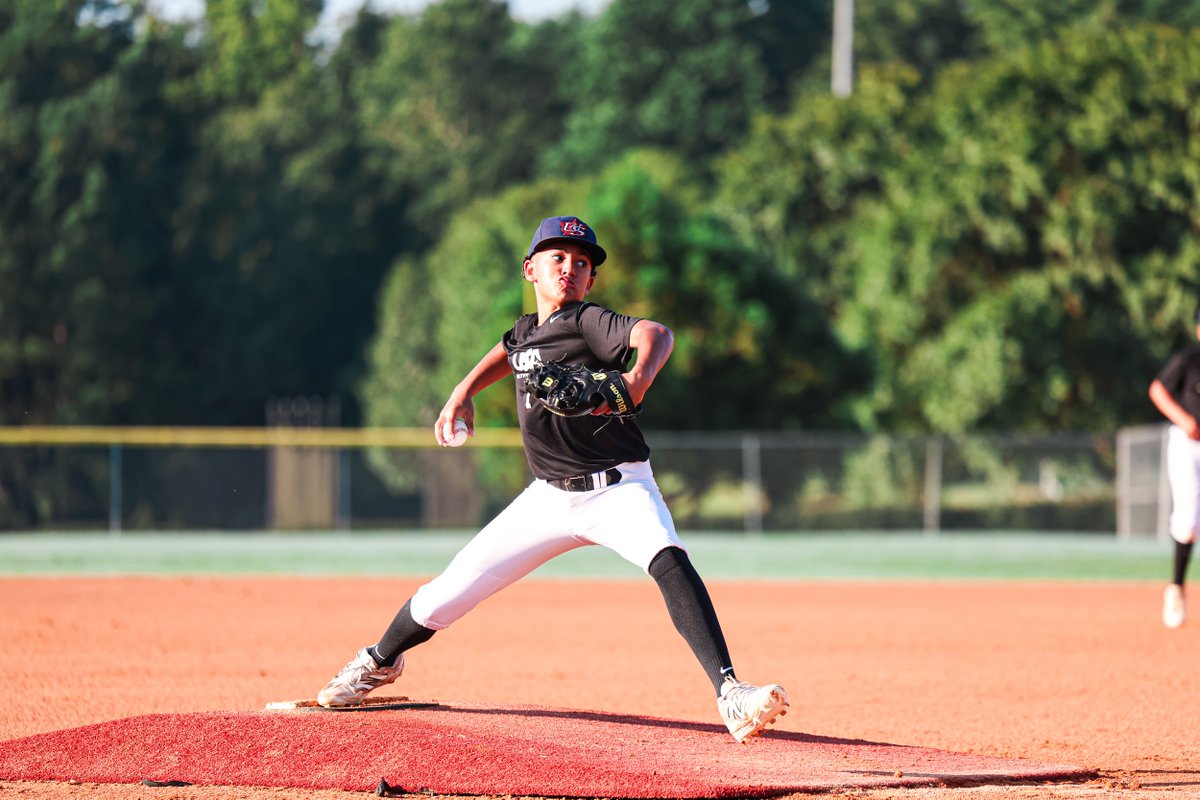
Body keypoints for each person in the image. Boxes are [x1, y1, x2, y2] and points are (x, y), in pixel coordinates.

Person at [315, 215, 789, 742]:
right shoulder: (526, 331)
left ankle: (730, 692)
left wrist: (636, 379)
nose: (570, 267)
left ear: (590, 281)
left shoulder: (588, 322)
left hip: (619, 488)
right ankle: (379, 661)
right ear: (530, 269)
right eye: (558, 257)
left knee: (668, 558)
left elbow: (657, 333)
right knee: (442, 597)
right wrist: (462, 391)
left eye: (582, 262)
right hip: (546, 500)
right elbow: (510, 351)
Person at [1148, 307, 1200, 629]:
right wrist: (1184, 419)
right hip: (1187, 445)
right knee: (1189, 517)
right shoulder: (1189, 360)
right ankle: (1176, 588)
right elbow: (1157, 389)